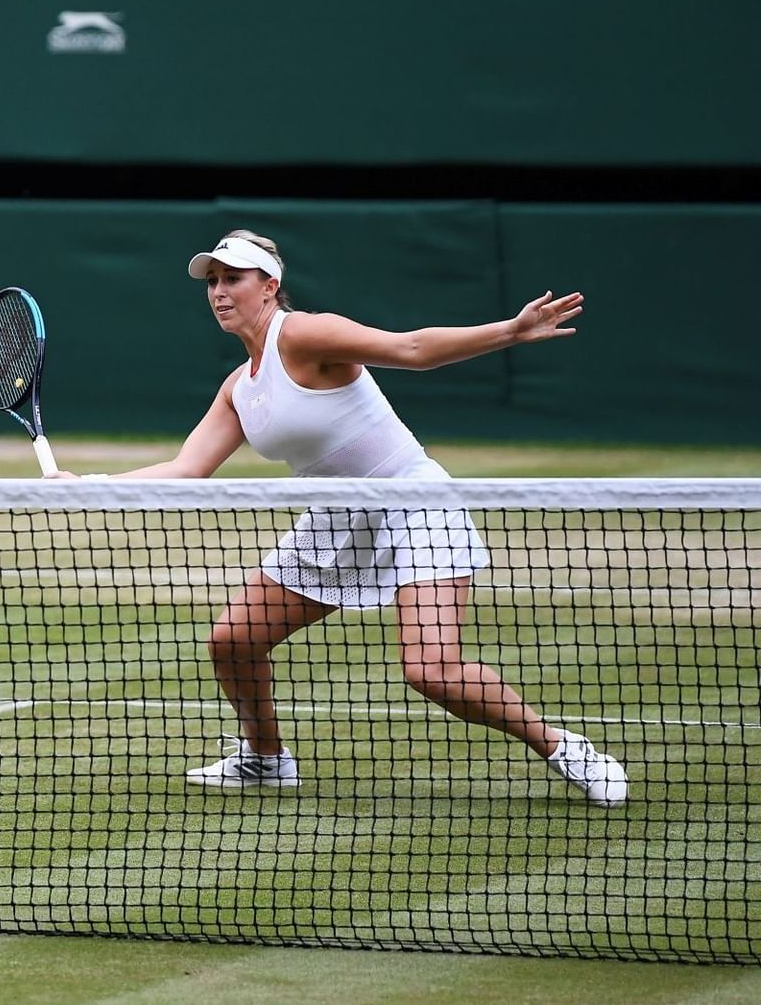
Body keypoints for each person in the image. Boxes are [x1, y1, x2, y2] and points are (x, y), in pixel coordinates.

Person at [57, 230, 627, 806]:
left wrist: (511, 330)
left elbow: (412, 349)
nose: (219, 292)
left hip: (412, 502)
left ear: (269, 285)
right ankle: (265, 758)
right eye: (212, 281)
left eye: (233, 279)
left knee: (431, 669)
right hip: (336, 517)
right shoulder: (239, 389)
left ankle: (563, 747)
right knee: (233, 641)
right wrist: (88, 487)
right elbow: (187, 468)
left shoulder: (305, 333)